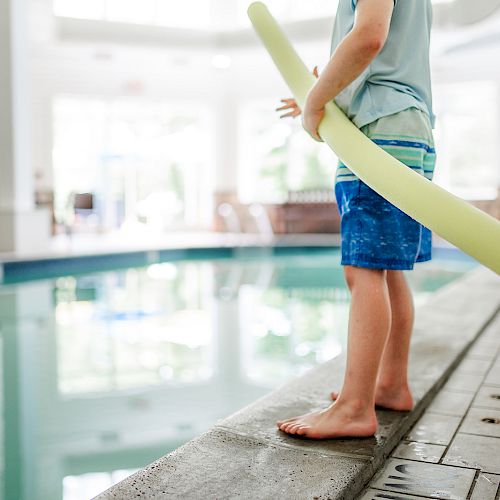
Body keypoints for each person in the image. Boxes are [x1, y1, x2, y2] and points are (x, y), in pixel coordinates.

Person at [275, 0, 436, 439]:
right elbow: (380, 52)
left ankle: (354, 406)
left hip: (378, 127)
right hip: (405, 127)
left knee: (363, 268)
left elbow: (368, 37)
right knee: (385, 268)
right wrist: (320, 88)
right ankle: (389, 384)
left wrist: (315, 103)